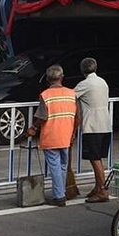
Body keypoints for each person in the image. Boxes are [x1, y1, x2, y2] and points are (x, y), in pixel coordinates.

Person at [27, 64, 78, 207]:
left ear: (48, 79)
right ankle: (61, 193)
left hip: (51, 136)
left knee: (55, 166)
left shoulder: (46, 95)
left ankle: (59, 196)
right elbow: (77, 115)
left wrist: (33, 128)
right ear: (62, 77)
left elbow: (42, 117)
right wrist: (73, 133)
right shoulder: (71, 93)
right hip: (66, 135)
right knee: (62, 166)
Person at [74, 57, 112, 202]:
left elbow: (71, 95)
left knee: (94, 158)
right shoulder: (103, 82)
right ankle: (98, 187)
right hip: (105, 124)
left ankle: (102, 190)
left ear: (82, 70)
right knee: (97, 158)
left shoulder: (85, 84)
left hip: (92, 126)